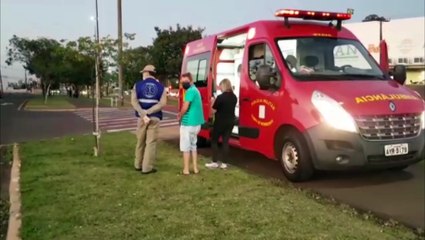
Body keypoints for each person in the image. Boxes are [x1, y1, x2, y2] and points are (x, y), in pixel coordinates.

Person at [131, 64, 167, 174]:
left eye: (143, 72)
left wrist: (143, 114)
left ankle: (138, 164)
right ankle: (147, 168)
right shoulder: (161, 87)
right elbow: (162, 103)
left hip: (141, 118)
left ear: (146, 72)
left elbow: (134, 102)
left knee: (140, 141)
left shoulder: (137, 85)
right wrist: (149, 112)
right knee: (151, 143)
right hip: (155, 117)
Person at [205, 79, 237, 169]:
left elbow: (213, 111)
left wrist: (212, 102)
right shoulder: (234, 97)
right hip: (230, 122)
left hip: (220, 122)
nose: (220, 88)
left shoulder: (220, 97)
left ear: (224, 86)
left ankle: (214, 161)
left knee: (214, 141)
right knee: (225, 142)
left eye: (221, 86)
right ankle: (224, 163)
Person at [177, 72, 205, 175]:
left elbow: (185, 106)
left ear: (191, 81)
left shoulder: (190, 91)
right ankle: (195, 168)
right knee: (193, 145)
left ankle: (186, 169)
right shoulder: (196, 90)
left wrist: (180, 114)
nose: (183, 83)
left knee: (186, 147)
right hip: (197, 123)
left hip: (188, 123)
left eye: (185, 81)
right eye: (182, 82)